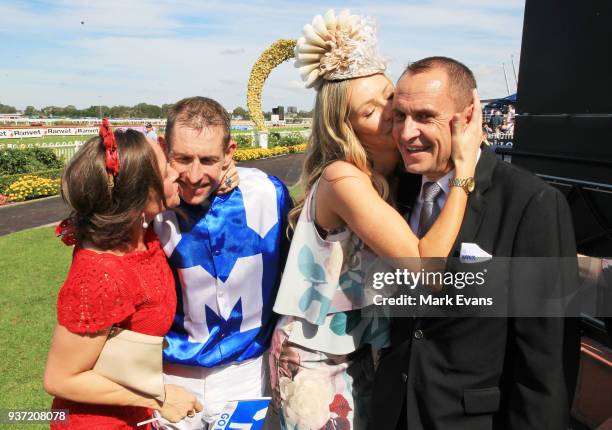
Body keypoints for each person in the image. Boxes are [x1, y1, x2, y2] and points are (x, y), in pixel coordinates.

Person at [270, 10, 483, 430]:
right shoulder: (343, 178)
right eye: (371, 111)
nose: (391, 114)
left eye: (389, 98)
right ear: (344, 128)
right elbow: (426, 269)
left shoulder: (393, 177)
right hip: (313, 359)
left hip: (361, 353)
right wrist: (465, 170)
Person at [372, 56, 580, 430]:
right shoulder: (394, 190)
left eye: (424, 116)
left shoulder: (531, 203)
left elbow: (545, 357)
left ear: (468, 118)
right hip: (392, 411)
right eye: (399, 116)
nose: (405, 133)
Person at [44, 122, 202, 429]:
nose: (176, 173)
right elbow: (60, 378)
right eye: (164, 169)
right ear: (139, 193)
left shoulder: (143, 237)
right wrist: (157, 398)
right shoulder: (100, 275)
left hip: (136, 417)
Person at [152, 96, 292, 429]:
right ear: (162, 148)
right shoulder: (148, 206)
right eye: (182, 158)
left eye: (208, 159)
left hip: (247, 376)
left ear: (229, 153)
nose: (194, 174)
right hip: (170, 378)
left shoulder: (270, 193)